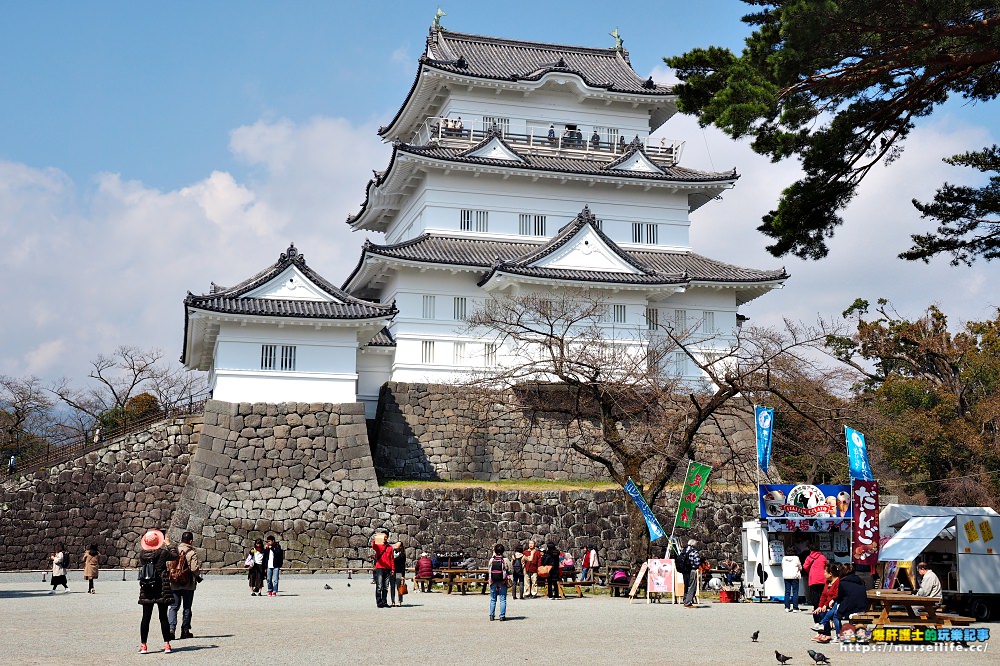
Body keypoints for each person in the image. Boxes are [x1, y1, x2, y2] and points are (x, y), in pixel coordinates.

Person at [137, 529, 178, 654]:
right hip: (161, 588)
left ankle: (143, 645)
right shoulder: (163, 553)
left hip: (147, 587)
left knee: (146, 617)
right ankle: (167, 645)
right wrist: (169, 544)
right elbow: (175, 555)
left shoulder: (142, 554)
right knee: (163, 617)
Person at [169, 531, 201, 640]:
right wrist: (197, 576)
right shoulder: (192, 552)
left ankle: (171, 629)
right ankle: (185, 630)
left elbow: (169, 565)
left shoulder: (174, 551)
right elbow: (194, 569)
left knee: (173, 607)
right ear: (190, 541)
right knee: (187, 608)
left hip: (174, 583)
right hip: (188, 583)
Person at [812, 562, 842, 642]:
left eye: (825, 572)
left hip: (834, 605)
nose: (824, 574)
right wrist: (820, 606)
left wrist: (825, 605)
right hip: (827, 605)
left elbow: (835, 596)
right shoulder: (827, 582)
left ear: (830, 574)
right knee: (816, 613)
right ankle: (820, 632)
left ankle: (827, 634)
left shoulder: (838, 582)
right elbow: (823, 595)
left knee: (823, 613)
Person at [372, 531, 394, 608]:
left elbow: (391, 559)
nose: (384, 538)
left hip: (388, 568)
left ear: (387, 537)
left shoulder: (390, 547)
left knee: (386, 587)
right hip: (380, 568)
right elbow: (374, 546)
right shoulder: (379, 546)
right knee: (379, 586)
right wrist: (375, 539)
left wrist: (393, 569)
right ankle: (379, 602)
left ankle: (384, 602)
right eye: (383, 537)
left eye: (385, 537)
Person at [488, 543, 510, 621]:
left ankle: (491, 615)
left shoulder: (492, 560)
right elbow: (511, 570)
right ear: (503, 551)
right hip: (502, 582)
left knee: (493, 599)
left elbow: (489, 570)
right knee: (502, 599)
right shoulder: (505, 560)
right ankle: (502, 616)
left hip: (493, 581)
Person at [803, 543, 828, 610]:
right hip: (823, 578)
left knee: (814, 594)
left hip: (813, 578)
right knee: (822, 593)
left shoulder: (809, 558)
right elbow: (827, 565)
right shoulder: (822, 557)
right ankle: (822, 606)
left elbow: (805, 567)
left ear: (810, 550)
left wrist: (810, 571)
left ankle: (816, 607)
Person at [679, 539, 701, 608]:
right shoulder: (694, 551)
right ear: (694, 544)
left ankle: (685, 600)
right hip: (692, 570)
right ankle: (688, 603)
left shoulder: (684, 550)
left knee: (686, 585)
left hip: (684, 570)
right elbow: (697, 562)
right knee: (692, 586)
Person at [391, 541, 406, 607]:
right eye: (395, 544)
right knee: (392, 587)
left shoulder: (402, 555)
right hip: (391, 572)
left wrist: (403, 575)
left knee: (399, 587)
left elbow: (403, 566)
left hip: (399, 572)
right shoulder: (391, 552)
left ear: (400, 547)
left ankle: (400, 601)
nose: (395, 545)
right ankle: (393, 601)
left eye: (397, 544)